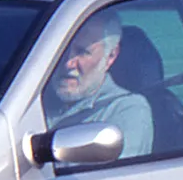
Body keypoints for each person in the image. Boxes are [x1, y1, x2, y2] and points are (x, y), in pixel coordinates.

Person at [42, 9, 152, 159]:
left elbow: (109, 179)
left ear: (111, 56)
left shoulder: (127, 110)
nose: (68, 63)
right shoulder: (29, 100)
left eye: (82, 52)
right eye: (61, 50)